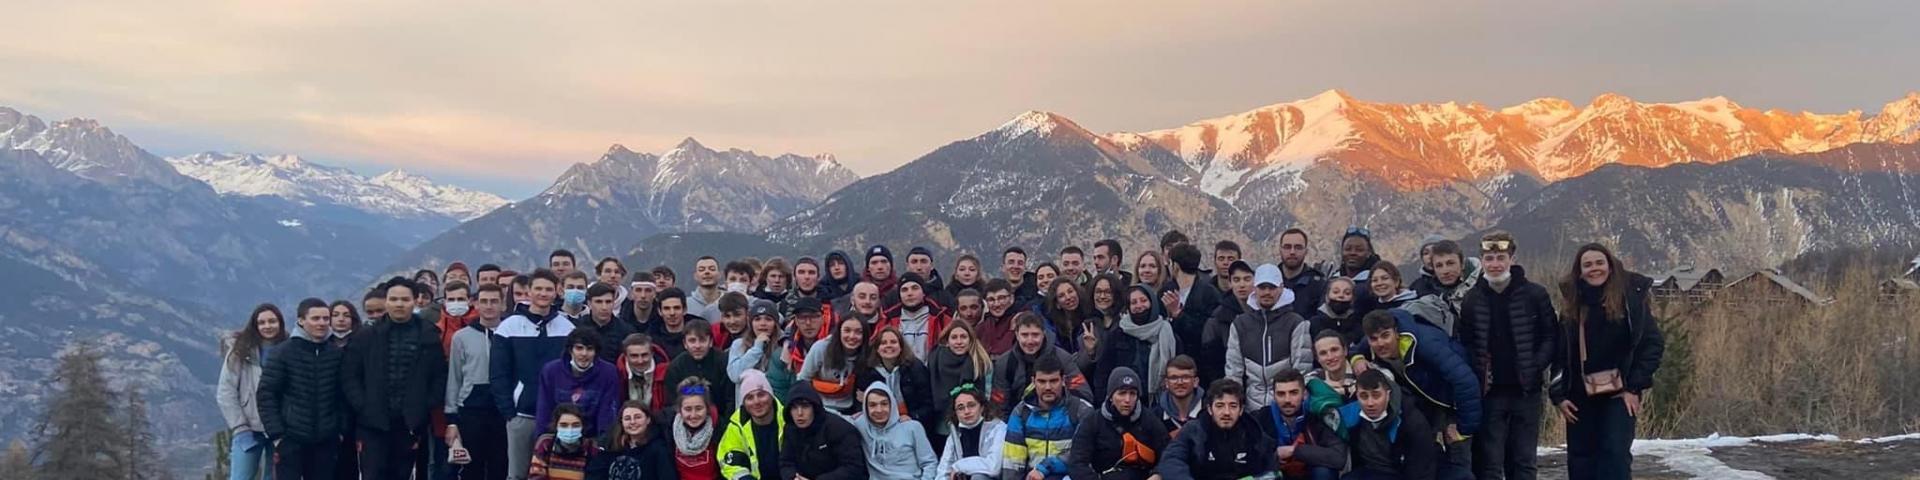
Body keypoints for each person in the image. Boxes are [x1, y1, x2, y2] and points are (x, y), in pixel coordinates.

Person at [1551, 243, 1663, 480]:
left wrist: (1634, 387)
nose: (1594, 269)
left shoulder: (1631, 301)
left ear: (1610, 267)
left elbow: (1652, 345)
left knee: (1614, 457)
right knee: (1581, 461)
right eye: (1588, 265)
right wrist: (1559, 395)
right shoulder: (1572, 304)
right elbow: (1561, 352)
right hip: (1579, 395)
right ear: (1579, 271)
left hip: (1619, 394)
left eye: (1599, 263)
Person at [1456, 232, 1558, 480]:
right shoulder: (1472, 299)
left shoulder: (1535, 294)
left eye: (1500, 257)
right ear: (1482, 261)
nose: (1495, 264)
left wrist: (1535, 366)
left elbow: (1551, 336)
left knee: (1523, 461)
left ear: (1512, 258)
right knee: (1490, 463)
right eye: (1489, 258)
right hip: (1490, 394)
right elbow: (1467, 343)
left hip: (1527, 390)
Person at [344, 278, 448, 480]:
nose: (399, 304)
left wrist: (425, 406)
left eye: (404, 299)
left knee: (403, 474)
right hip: (372, 423)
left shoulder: (428, 335)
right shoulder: (366, 336)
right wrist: (363, 405)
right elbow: (349, 376)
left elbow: (439, 376)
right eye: (394, 299)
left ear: (415, 301)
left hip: (410, 423)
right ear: (386, 302)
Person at [1359, 310, 1479, 480]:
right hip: (1426, 403)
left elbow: (1466, 381)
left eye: (1385, 336)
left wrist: (1464, 428)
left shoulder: (1425, 343)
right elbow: (1358, 347)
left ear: (1396, 332)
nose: (1380, 343)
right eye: (1374, 339)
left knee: (1459, 461)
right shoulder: (1372, 340)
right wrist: (1357, 358)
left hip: (1453, 401)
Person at [494, 269, 577, 480]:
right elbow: (498, 372)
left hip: (557, 417)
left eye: (549, 289)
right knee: (518, 474)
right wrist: (508, 411)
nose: (543, 293)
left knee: (557, 473)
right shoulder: (508, 327)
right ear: (528, 291)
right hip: (521, 416)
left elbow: (572, 371)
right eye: (538, 288)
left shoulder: (567, 328)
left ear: (557, 292)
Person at [259, 298, 347, 480]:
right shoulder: (283, 352)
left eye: (325, 318)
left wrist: (340, 430)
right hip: (291, 439)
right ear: (301, 320)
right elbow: (267, 393)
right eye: (315, 319)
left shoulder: (336, 354)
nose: (322, 323)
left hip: (326, 440)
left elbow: (342, 395)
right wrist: (277, 435)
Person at [447, 284, 511, 480]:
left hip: (504, 408)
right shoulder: (462, 337)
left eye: (494, 301)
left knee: (500, 464)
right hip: (472, 408)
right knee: (471, 467)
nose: (489, 306)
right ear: (475, 304)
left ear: (502, 305)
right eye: (484, 301)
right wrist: (451, 417)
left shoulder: (512, 333)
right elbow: (455, 376)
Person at [1226, 264, 1313, 407]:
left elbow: (1302, 370)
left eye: (1272, 288)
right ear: (1254, 289)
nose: (1267, 292)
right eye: (1262, 287)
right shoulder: (1240, 324)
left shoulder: (1296, 322)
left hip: (1285, 404)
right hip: (1250, 405)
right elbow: (1233, 370)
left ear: (1281, 288)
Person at [219, 303, 287, 480]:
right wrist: (240, 427)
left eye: (272, 321)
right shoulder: (240, 351)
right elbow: (226, 391)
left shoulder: (289, 349)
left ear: (280, 323)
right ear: (255, 325)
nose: (267, 326)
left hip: (280, 429)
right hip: (248, 427)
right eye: (262, 322)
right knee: (241, 476)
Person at [1000, 353, 1094, 480]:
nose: (1048, 387)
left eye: (1053, 381)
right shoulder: (1021, 412)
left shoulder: (1081, 410)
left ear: (1063, 381)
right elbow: (1012, 462)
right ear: (1033, 382)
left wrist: (1045, 468)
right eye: (1042, 381)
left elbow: (1082, 455)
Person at [1158, 379, 1275, 480]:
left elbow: (1271, 472)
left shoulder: (1254, 433)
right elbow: (1171, 459)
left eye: (1233, 406)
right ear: (1209, 409)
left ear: (1241, 410)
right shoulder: (1194, 430)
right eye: (1220, 406)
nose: (1226, 412)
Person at [1067, 367, 1170, 480]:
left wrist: (1157, 474)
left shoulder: (1150, 420)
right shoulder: (1092, 421)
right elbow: (1077, 463)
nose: (1127, 399)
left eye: (1132, 394)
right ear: (1111, 396)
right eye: (1122, 393)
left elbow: (1169, 455)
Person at [1339, 370, 1437, 480]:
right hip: (1367, 470)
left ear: (1388, 395)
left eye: (1376, 395)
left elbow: (1423, 468)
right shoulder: (1350, 415)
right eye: (1364, 396)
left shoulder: (1411, 421)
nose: (1370, 403)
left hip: (1400, 473)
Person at [1249, 369, 1346, 480]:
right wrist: (1274, 455)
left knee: (1324, 472)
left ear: (1304, 394)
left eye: (1293, 393)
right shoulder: (1260, 418)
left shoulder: (1316, 416)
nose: (1287, 400)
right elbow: (1246, 456)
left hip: (1308, 474)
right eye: (1281, 394)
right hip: (1275, 474)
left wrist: (1295, 451)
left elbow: (1339, 457)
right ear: (1274, 395)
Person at [536, 329, 623, 440]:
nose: (584, 354)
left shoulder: (608, 372)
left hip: (592, 438)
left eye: (590, 349)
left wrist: (604, 444)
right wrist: (543, 440)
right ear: (570, 350)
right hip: (558, 437)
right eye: (579, 348)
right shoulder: (551, 371)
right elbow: (544, 409)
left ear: (596, 352)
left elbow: (607, 413)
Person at [990, 313, 1091, 409]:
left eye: (1035, 335)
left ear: (1044, 334)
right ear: (1017, 335)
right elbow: (999, 406)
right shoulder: (1004, 363)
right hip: (1019, 419)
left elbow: (1083, 395)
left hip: (1060, 417)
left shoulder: (1062, 358)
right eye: (1025, 335)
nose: (1030, 341)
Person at [842, 382, 938, 480]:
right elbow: (831, 415)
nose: (879, 410)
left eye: (884, 404)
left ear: (892, 404)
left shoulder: (912, 427)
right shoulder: (861, 424)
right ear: (865, 408)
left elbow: (929, 463)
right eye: (872, 405)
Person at [1098, 284, 1176, 400]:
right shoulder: (1118, 334)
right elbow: (1103, 372)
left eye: (1143, 300)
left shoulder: (1168, 333)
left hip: (1161, 401)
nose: (1139, 306)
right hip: (1125, 400)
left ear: (1152, 303)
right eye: (1133, 302)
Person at [928, 321, 994, 449]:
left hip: (975, 423)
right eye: (954, 337)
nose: (959, 342)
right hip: (942, 424)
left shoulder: (981, 362)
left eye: (963, 337)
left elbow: (987, 395)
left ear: (970, 339)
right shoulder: (935, 358)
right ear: (947, 341)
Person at [778, 383, 865, 480]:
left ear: (814, 407)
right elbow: (786, 462)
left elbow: (854, 468)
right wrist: (792, 477)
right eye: (794, 408)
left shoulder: (839, 429)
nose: (799, 413)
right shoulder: (790, 429)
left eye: (805, 406)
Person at [855, 327, 936, 428]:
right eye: (883, 343)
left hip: (909, 423)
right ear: (877, 349)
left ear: (901, 346)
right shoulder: (866, 370)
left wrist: (912, 417)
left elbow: (928, 405)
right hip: (877, 423)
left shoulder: (916, 368)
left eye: (893, 342)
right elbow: (859, 401)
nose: (888, 346)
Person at [717, 370, 784, 480]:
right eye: (749, 398)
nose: (756, 402)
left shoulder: (788, 420)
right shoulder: (736, 427)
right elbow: (730, 463)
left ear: (771, 396)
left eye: (761, 395)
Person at [1161, 244, 1218, 370]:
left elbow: (1207, 331)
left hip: (1201, 364)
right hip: (1171, 360)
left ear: (1175, 266)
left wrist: (1178, 314)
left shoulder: (1209, 294)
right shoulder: (1166, 291)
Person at [584, 401, 674, 480]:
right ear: (621, 422)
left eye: (638, 417)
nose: (632, 422)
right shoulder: (610, 446)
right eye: (627, 418)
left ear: (648, 420)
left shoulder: (659, 448)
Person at [729, 299, 797, 403]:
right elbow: (735, 375)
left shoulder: (784, 345)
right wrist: (757, 348)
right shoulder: (739, 344)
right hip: (747, 407)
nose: (763, 324)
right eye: (757, 319)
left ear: (775, 323)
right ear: (751, 323)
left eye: (768, 319)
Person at [799, 316, 868, 414]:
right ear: (839, 332)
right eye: (847, 331)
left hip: (849, 409)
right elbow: (803, 379)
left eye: (858, 332)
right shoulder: (821, 348)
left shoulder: (867, 354)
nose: (852, 336)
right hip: (820, 407)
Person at [1202, 260, 1255, 386]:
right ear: (1230, 283)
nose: (1242, 285)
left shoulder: (1264, 313)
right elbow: (1210, 360)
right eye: (1236, 280)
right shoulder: (1218, 318)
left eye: (1247, 279)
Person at [665, 320, 735, 415]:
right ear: (685, 344)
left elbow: (730, 399)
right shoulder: (676, 367)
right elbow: (673, 401)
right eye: (692, 341)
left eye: (702, 340)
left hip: (721, 419)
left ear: (710, 342)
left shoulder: (724, 362)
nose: (697, 346)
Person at [1367, 262, 1455, 337]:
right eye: (1375, 280)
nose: (1379, 283)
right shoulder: (1372, 308)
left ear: (1396, 281)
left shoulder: (1415, 305)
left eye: (1385, 278)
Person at [878, 273, 953, 360]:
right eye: (904, 290)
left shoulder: (941, 318)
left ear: (923, 292)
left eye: (915, 288)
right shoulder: (887, 321)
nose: (910, 293)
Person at [936, 386, 1005, 480]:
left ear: (982, 407)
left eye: (971, 405)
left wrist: (958, 466)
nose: (967, 411)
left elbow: (993, 467)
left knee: (978, 477)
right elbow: (943, 471)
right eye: (960, 408)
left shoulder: (998, 428)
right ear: (955, 413)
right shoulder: (955, 435)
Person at [667, 378, 723, 479]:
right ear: (679, 410)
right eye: (688, 409)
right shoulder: (668, 429)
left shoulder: (720, 430)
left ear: (707, 408)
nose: (693, 415)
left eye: (699, 408)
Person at [1409, 241, 1479, 316]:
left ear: (1462, 265)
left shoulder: (1482, 287)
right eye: (1439, 266)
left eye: (1450, 263)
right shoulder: (1433, 303)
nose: (1445, 271)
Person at [529, 404, 597, 480]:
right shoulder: (546, 443)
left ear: (583, 427)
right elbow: (536, 475)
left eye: (576, 425)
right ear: (556, 426)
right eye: (564, 425)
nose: (570, 429)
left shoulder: (590, 447)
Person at [1275, 229, 1328, 319]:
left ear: (1306, 251)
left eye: (1298, 247)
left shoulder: (1319, 284)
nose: (1292, 252)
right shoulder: (1270, 280)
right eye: (1287, 247)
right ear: (1280, 250)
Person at [580, 284, 639, 364]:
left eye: (608, 302)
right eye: (599, 302)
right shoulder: (578, 328)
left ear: (614, 303)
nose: (604, 307)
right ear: (589, 304)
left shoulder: (626, 331)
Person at [1152, 355, 1206, 437]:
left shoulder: (1210, 411)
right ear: (1166, 383)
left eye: (1185, 377)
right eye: (1174, 378)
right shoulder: (1155, 416)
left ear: (1195, 381)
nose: (1180, 382)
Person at [618, 334, 672, 414]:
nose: (640, 361)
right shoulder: (617, 375)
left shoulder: (668, 373)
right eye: (634, 356)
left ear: (652, 353)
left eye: (644, 355)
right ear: (626, 356)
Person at [1306, 278, 1362, 352]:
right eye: (1336, 292)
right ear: (1327, 296)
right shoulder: (1313, 323)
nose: (1341, 296)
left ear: (1353, 299)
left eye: (1347, 293)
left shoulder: (1359, 323)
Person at [1042, 277, 1094, 354]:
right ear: (1057, 304)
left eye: (1070, 291)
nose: (1068, 297)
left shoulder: (1091, 318)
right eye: (1061, 296)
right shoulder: (1052, 327)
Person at [1334, 228, 1383, 309]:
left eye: (1359, 250)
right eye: (1348, 249)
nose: (1353, 253)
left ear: (1368, 253)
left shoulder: (1376, 283)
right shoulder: (1332, 280)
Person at [1304, 331, 1359, 402]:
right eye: (1323, 353)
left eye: (1334, 350)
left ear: (1345, 350)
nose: (1330, 357)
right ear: (1317, 359)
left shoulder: (1362, 374)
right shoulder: (1312, 379)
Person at [977, 280, 1019, 356]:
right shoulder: (982, 328)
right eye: (991, 300)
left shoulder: (1020, 321)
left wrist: (1011, 332)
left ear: (1012, 298)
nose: (996, 304)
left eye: (1001, 298)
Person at [653, 288, 696, 358]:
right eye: (667, 308)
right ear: (659, 311)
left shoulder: (698, 334)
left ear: (685, 310)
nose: (672, 313)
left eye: (676, 308)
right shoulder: (652, 338)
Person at [689, 257, 726, 322]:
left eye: (712, 269)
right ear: (695, 276)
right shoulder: (687, 304)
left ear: (720, 274)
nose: (707, 272)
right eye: (701, 270)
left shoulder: (728, 303)